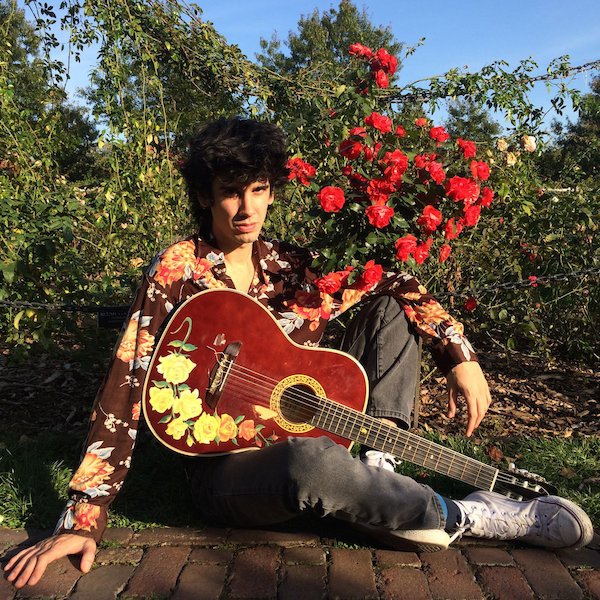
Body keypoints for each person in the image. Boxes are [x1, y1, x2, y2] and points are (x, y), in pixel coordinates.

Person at [4, 117, 593, 589]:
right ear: (205, 196)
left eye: (258, 191)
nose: (246, 209)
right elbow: (126, 382)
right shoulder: (179, 268)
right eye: (230, 193)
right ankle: (467, 514)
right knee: (310, 463)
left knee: (386, 305)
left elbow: (395, 283)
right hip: (227, 469)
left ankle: (378, 466)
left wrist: (459, 354)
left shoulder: (289, 265)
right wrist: (84, 517)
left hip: (315, 431)